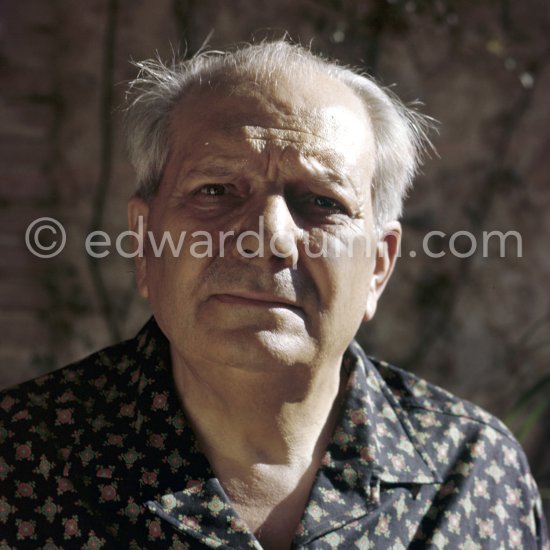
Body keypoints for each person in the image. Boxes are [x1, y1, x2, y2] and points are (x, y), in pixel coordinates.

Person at [0, 40, 547, 550]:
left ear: (378, 266)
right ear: (144, 243)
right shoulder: (24, 459)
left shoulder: (474, 476)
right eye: (215, 190)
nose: (268, 238)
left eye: (322, 202)